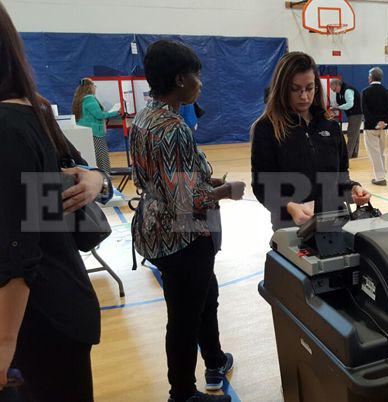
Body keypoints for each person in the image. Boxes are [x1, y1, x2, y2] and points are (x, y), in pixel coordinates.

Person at [0, 3, 114, 400]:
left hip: (40, 314)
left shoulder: (18, 119)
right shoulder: (30, 111)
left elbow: (21, 249)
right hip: (51, 305)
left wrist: (94, 178)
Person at [130, 40, 245, 402]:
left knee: (203, 296)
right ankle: (182, 393)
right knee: (183, 318)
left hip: (153, 229)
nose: (201, 83)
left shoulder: (143, 118)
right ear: (181, 80)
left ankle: (214, 359)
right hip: (181, 237)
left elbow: (156, 177)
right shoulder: (175, 128)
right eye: (197, 76)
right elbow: (186, 201)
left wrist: (202, 178)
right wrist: (227, 190)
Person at [251, 51, 371, 230]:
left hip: (335, 221)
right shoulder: (266, 128)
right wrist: (289, 207)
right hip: (291, 227)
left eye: (309, 88)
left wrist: (351, 189)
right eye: (295, 89)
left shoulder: (330, 126)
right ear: (282, 88)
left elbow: (340, 175)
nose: (304, 96)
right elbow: (262, 186)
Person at [72, 77, 122, 173]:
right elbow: (99, 115)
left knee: (96, 154)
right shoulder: (90, 100)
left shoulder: (79, 99)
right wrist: (116, 112)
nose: (95, 87)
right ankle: (105, 174)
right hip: (95, 132)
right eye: (94, 85)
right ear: (90, 87)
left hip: (87, 131)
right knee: (101, 154)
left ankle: (100, 173)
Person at [362, 67, 388, 185]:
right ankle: (382, 172)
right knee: (381, 152)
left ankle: (380, 178)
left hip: (371, 128)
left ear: (371, 77)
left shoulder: (365, 92)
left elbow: (366, 112)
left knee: (374, 153)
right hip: (384, 128)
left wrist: (376, 123)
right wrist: (384, 121)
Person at [330, 78, 363, 158]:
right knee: (355, 134)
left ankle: (347, 156)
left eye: (334, 89)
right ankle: (354, 154)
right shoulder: (339, 92)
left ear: (338, 85)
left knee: (351, 134)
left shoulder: (347, 90)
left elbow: (350, 104)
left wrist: (337, 107)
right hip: (351, 114)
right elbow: (339, 103)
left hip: (357, 114)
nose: (334, 91)